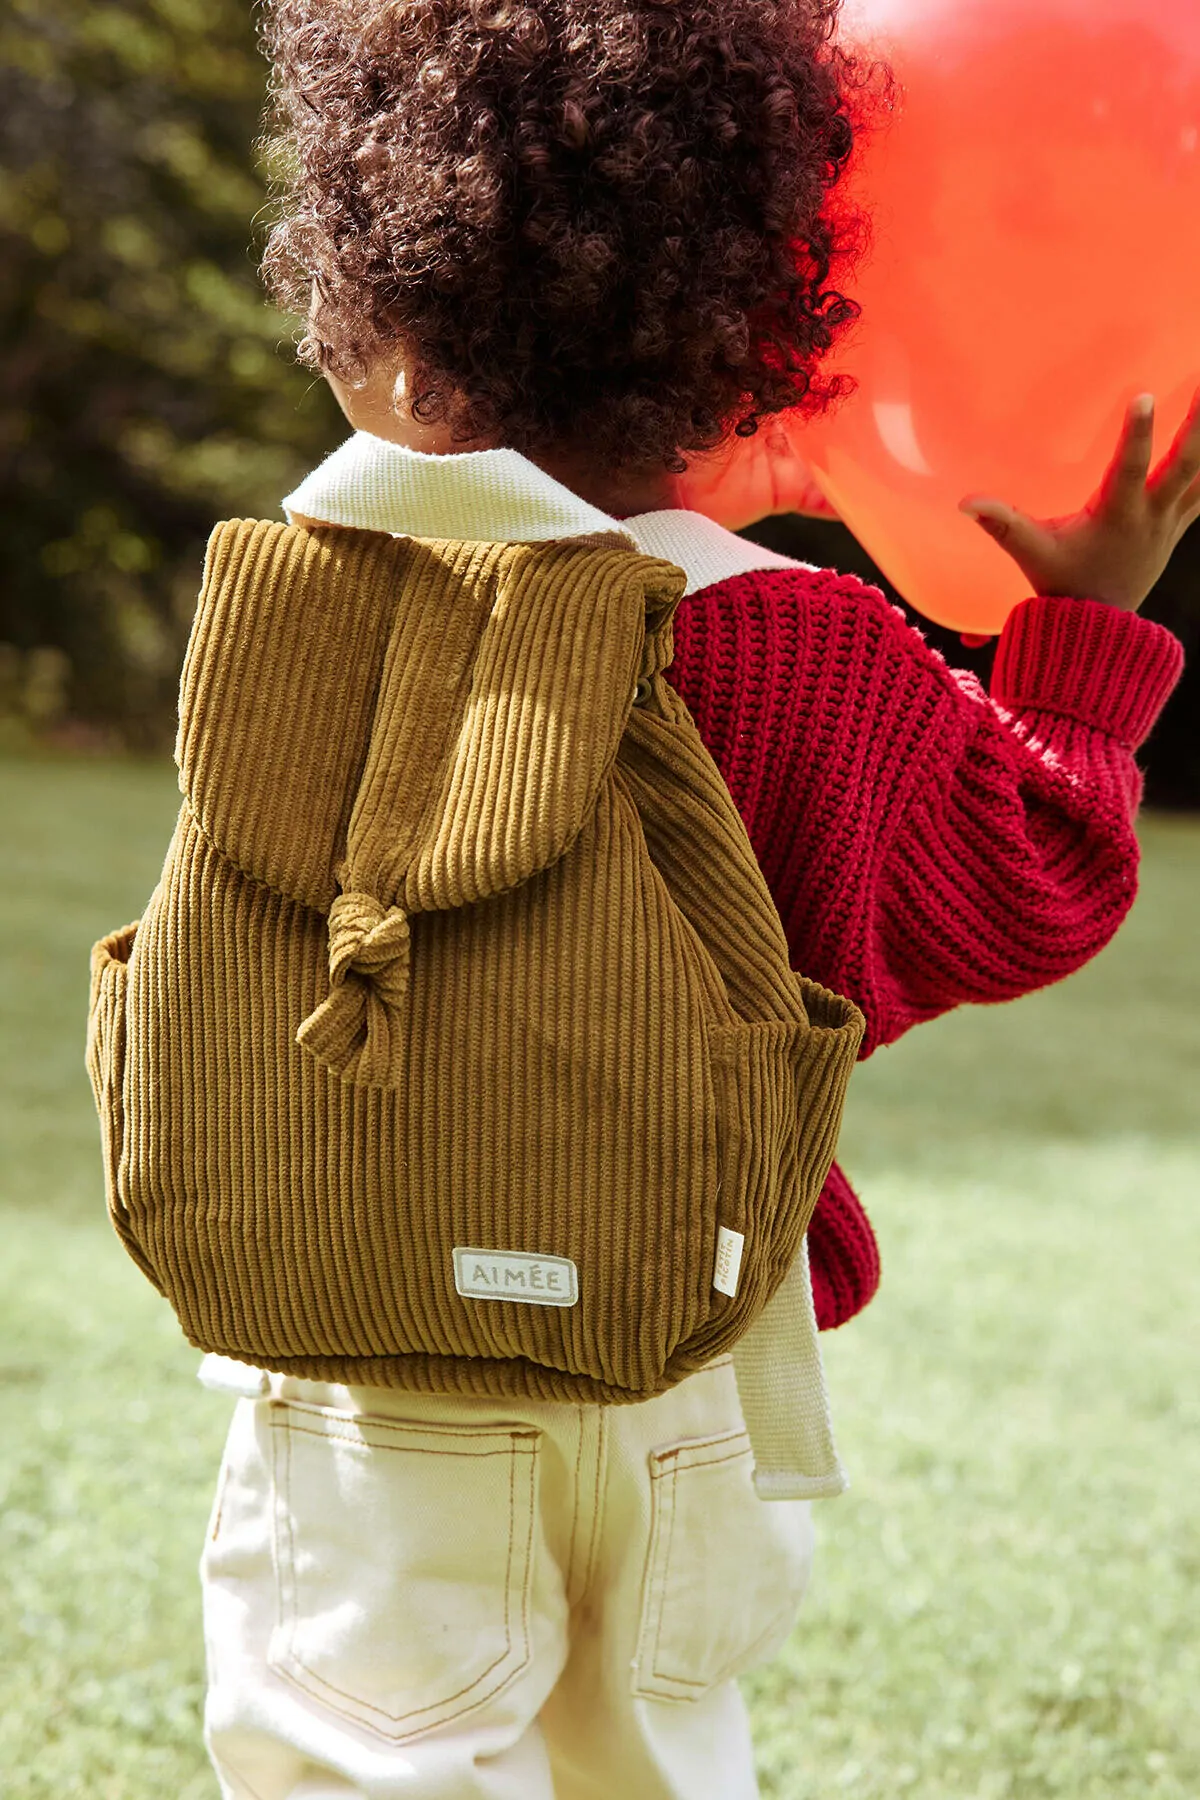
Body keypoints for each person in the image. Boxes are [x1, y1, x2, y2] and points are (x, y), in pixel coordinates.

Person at [190, 0, 1189, 1795]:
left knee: (357, 1752)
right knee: (652, 1757)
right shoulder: (797, 645)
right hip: (695, 1353)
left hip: (369, 1338)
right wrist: (1085, 645)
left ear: (389, 327)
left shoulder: (306, 592)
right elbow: (1032, 877)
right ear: (768, 339)